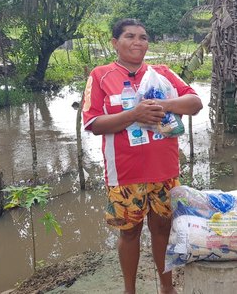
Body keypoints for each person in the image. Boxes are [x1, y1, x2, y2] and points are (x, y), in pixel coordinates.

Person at [82, 18, 203, 294]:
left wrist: (162, 104)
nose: (137, 42)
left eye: (143, 37)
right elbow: (93, 124)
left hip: (165, 171)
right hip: (125, 173)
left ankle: (166, 287)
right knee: (130, 232)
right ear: (115, 43)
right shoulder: (100, 75)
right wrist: (133, 115)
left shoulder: (162, 73)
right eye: (129, 36)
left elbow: (194, 102)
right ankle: (129, 290)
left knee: (162, 229)